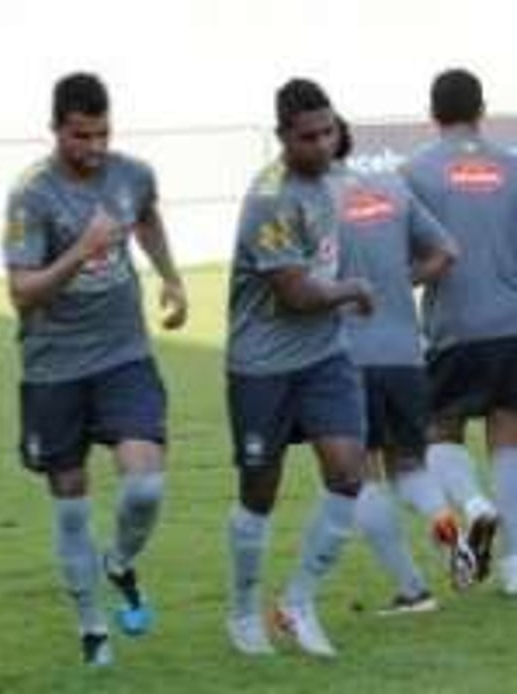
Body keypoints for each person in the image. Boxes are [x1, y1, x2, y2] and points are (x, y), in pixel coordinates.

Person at [2, 72, 186, 666]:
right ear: (56, 129)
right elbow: (22, 292)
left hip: (123, 355)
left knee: (147, 483)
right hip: (54, 368)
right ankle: (92, 629)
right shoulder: (31, 195)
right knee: (72, 500)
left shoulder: (132, 174)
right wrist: (81, 250)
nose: (96, 148)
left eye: (104, 133)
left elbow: (148, 216)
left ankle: (121, 562)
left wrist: (170, 276)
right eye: (82, 136)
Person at [224, 78, 373, 658]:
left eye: (329, 132)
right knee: (259, 492)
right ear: (283, 137)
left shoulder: (336, 174)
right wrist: (353, 287)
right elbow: (295, 294)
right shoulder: (270, 198)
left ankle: (297, 601)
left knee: (347, 472)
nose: (321, 145)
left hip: (324, 358)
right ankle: (241, 610)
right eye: (308, 136)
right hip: (261, 364)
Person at [332, 116, 472, 611]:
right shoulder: (392, 188)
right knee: (410, 467)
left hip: (347, 359)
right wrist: (399, 282)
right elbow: (446, 252)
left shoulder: (312, 203)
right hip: (406, 357)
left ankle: (413, 590)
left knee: (359, 476)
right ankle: (453, 536)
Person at [401, 68, 517, 592]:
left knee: (436, 432)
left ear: (433, 114)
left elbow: (404, 255)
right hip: (512, 322)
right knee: (509, 438)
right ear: (482, 110)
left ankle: (472, 505)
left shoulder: (415, 171)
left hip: (454, 325)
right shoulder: (512, 166)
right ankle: (516, 569)